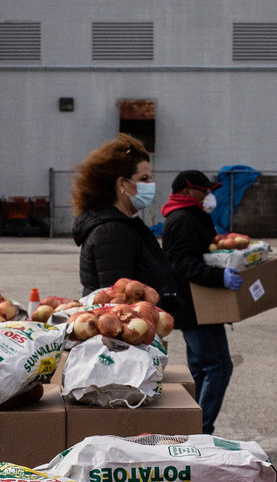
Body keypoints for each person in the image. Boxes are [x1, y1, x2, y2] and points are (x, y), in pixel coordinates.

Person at [71, 134, 189, 330]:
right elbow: (117, 301)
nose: (150, 185)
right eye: (143, 179)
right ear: (122, 184)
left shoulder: (126, 225)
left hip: (141, 329)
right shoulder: (112, 233)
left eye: (150, 178)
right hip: (125, 335)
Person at [161, 169, 240, 434]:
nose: (207, 195)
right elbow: (183, 264)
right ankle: (200, 430)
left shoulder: (192, 216)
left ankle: (192, 427)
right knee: (219, 367)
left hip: (199, 306)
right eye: (203, 190)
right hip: (195, 307)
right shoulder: (182, 219)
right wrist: (219, 277)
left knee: (200, 369)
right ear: (186, 191)